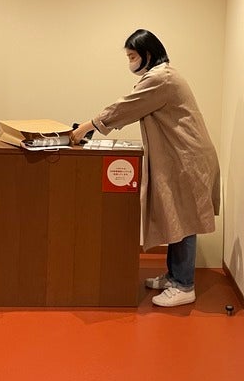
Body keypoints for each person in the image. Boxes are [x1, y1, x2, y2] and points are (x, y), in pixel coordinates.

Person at [70, 29, 220, 307]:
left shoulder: (160, 78)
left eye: (132, 56)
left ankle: (184, 285)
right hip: (183, 157)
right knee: (177, 217)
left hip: (187, 158)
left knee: (184, 220)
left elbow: (125, 107)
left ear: (148, 54)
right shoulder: (163, 76)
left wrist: (87, 127)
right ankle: (175, 276)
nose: (130, 62)